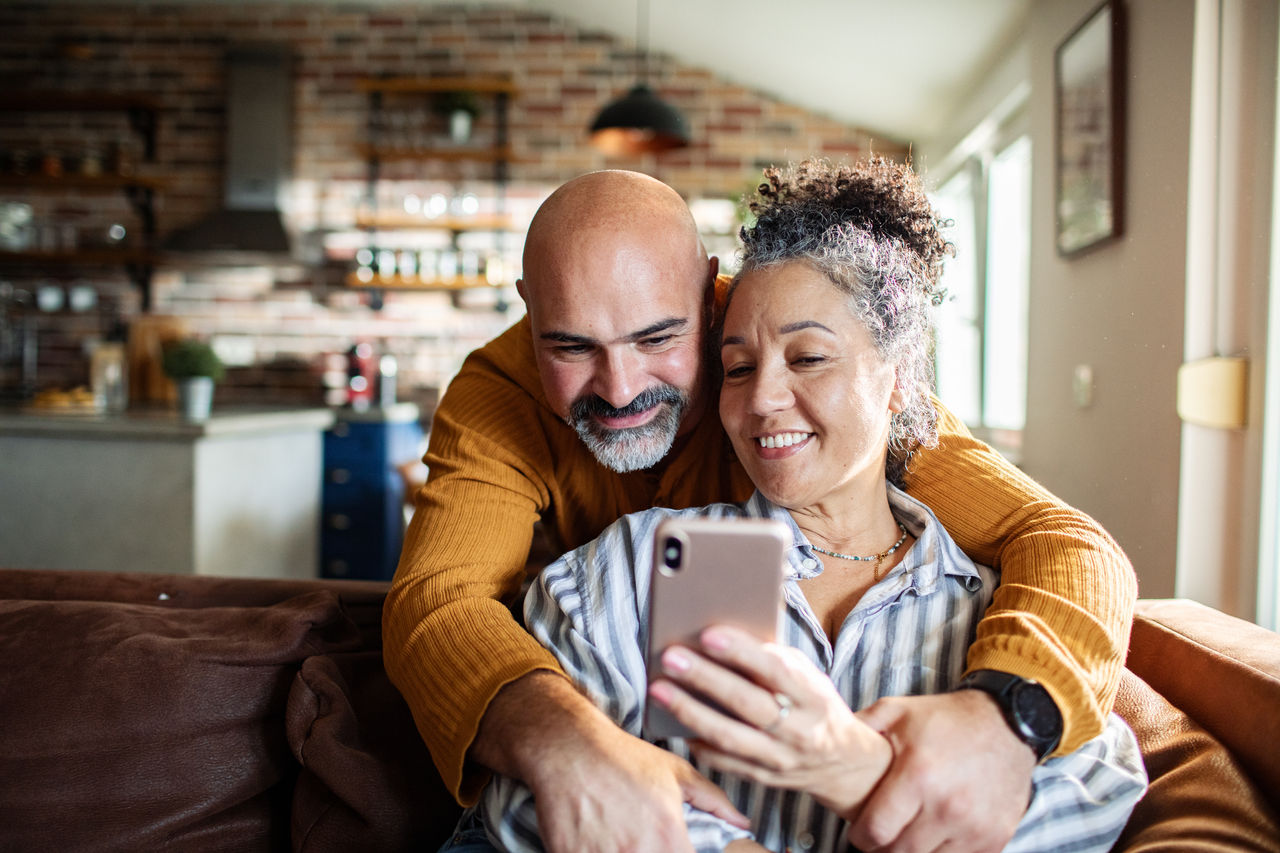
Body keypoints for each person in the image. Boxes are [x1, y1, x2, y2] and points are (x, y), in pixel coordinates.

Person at [385, 166, 1137, 852]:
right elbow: (439, 602)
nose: (617, 388)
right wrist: (569, 744)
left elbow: (1061, 539)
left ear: (707, 297)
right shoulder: (522, 434)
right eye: (571, 346)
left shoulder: (803, 359)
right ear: (530, 315)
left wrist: (1004, 719)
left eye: (659, 336)